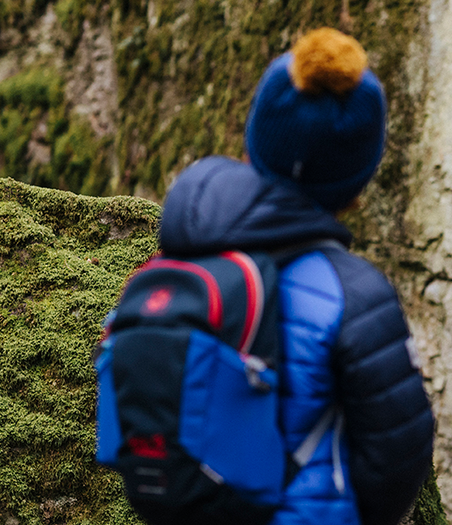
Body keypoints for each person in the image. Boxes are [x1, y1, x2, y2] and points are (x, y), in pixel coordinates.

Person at [155, 28, 434, 525]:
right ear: (357, 181)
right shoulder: (354, 294)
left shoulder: (182, 245)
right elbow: (399, 454)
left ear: (256, 143)